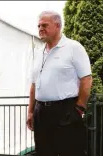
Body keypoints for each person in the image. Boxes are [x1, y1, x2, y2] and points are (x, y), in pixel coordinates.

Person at [26, 11, 93, 156]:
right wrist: (31, 111)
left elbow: (86, 79)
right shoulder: (38, 52)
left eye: (44, 25)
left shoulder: (73, 48)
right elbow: (33, 84)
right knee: (43, 152)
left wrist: (79, 108)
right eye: (38, 25)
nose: (40, 28)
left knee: (70, 151)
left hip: (66, 110)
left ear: (57, 26)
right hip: (40, 112)